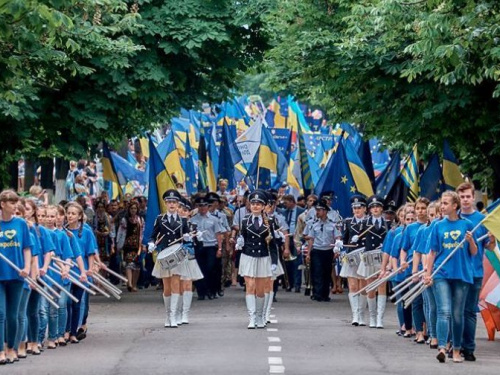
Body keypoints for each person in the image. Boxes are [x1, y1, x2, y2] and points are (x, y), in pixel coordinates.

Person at [424, 191, 478, 363]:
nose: (442, 206)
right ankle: (441, 347)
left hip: (461, 274)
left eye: (446, 203)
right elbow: (432, 252)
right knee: (444, 310)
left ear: (455, 206)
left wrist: (470, 241)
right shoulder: (437, 226)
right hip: (441, 273)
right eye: (442, 203)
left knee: (457, 314)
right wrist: (427, 273)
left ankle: (456, 350)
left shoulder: (467, 224)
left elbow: (474, 252)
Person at [456, 182, 495, 361]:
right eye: (462, 197)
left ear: (473, 198)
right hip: (455, 272)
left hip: (475, 271)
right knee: (456, 310)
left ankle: (469, 348)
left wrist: (492, 239)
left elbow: (490, 246)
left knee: (470, 311)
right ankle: (455, 345)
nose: (465, 200)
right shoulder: (452, 219)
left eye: (467, 197)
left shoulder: (481, 220)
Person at [149, 189, 192, 327]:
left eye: (174, 202)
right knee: (166, 287)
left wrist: (187, 237)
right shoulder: (160, 219)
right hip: (164, 255)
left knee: (176, 285)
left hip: (178, 256)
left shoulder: (182, 220)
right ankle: (168, 315)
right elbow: (153, 235)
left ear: (178, 204)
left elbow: (187, 236)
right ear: (165, 203)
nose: (172, 205)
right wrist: (151, 243)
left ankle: (174, 315)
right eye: (169, 202)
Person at [238, 190, 278, 328]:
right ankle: (252, 317)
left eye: (258, 204)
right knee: (250, 286)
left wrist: (274, 261)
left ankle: (260, 316)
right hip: (248, 256)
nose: (255, 206)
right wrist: (239, 242)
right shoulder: (244, 221)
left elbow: (273, 245)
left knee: (260, 289)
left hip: (263, 257)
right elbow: (242, 237)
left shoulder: (269, 222)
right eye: (253, 203)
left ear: (263, 206)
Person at [0, 190, 32, 364]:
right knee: (0, 313)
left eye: (15, 202)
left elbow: (27, 248)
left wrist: (27, 267)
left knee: (13, 315)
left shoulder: (20, 223)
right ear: (3, 204)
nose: (14, 206)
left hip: (17, 275)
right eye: (11, 203)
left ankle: (10, 347)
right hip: (0, 274)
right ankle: (0, 351)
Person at [358, 195, 390, 328]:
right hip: (369, 256)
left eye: (378, 207)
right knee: (370, 286)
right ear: (369, 210)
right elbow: (360, 241)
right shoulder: (364, 223)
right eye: (373, 207)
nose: (375, 209)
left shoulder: (388, 224)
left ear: (382, 209)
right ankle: (371, 316)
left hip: (383, 257)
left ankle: (380, 318)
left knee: (382, 285)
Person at [401, 197, 429, 341]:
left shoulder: (432, 225)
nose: (420, 211)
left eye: (423, 208)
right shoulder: (410, 228)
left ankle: (427, 330)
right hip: (414, 268)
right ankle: (418, 330)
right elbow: (404, 248)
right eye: (418, 208)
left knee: (428, 302)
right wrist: (402, 261)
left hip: (428, 268)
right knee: (416, 300)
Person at [304, 199, 341, 302]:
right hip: (317, 250)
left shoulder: (333, 224)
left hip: (328, 251)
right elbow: (311, 239)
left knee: (326, 272)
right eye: (317, 210)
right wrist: (309, 253)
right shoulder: (314, 224)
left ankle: (325, 294)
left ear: (325, 211)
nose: (317, 212)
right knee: (317, 272)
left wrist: (337, 250)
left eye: (319, 210)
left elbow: (337, 238)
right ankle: (317, 294)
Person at [341, 195, 367, 326]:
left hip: (364, 257)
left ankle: (362, 314)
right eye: (354, 208)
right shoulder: (347, 222)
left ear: (364, 208)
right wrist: (339, 246)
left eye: (359, 208)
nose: (357, 210)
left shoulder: (369, 222)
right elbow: (344, 239)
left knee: (363, 286)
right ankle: (355, 314)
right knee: (352, 286)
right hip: (351, 256)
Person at [190, 195, 223, 301]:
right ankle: (201, 292)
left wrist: (220, 249)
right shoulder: (193, 219)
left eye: (204, 205)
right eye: (200, 206)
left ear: (208, 207)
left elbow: (218, 234)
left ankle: (211, 290)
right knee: (199, 269)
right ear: (197, 207)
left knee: (210, 268)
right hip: (198, 247)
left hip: (211, 246)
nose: (202, 208)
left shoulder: (214, 219)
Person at [116, 202, 144, 292]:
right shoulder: (125, 220)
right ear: (129, 209)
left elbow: (143, 232)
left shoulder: (140, 220)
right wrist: (118, 243)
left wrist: (144, 244)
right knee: (129, 263)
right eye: (132, 208)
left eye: (135, 208)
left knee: (137, 266)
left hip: (138, 246)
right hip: (128, 245)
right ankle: (130, 284)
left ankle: (134, 284)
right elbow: (120, 232)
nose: (133, 210)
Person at [280, 195, 305, 292]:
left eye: (286, 203)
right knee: (287, 262)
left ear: (291, 201)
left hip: (297, 238)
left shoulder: (301, 211)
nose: (285, 205)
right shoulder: (284, 212)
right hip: (287, 238)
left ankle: (297, 284)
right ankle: (288, 283)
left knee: (297, 262)